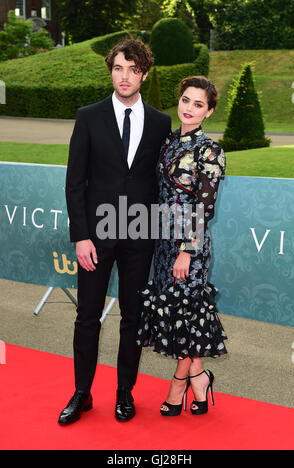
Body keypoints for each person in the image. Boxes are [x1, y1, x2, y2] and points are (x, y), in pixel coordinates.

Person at [58, 38, 171, 424]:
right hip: (96, 238)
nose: (126, 76)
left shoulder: (160, 122)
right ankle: (82, 394)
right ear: (111, 70)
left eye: (134, 69)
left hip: (140, 238)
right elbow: (75, 182)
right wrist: (81, 236)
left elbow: (161, 185)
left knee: (133, 318)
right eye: (119, 68)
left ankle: (125, 393)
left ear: (143, 74)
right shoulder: (88, 116)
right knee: (87, 316)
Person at [136, 76, 227, 417]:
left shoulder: (210, 150)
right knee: (177, 313)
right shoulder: (169, 142)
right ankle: (200, 378)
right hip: (162, 242)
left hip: (190, 245)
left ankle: (179, 385)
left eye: (198, 104)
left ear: (210, 111)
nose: (189, 108)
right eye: (186, 100)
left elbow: (205, 206)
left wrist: (187, 250)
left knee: (186, 313)